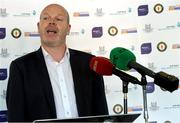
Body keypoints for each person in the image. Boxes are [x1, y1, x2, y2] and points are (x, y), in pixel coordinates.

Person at [6, 3, 108, 122]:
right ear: (39, 26)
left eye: (58, 19)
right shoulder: (20, 68)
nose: (51, 22)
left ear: (68, 29)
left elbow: (102, 115)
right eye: (46, 18)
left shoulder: (90, 63)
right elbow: (16, 117)